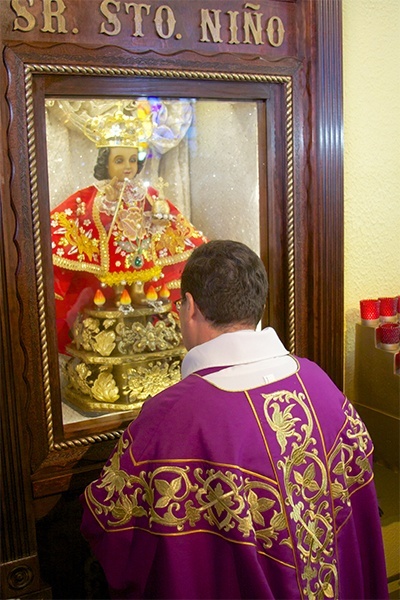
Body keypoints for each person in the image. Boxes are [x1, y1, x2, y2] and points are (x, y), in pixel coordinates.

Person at [80, 240, 389, 599]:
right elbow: (363, 502)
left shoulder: (173, 416)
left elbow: (106, 521)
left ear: (190, 307)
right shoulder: (318, 382)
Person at [50, 100, 206, 353]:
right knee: (115, 282)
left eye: (132, 160)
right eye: (120, 160)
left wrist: (159, 217)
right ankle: (119, 295)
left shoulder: (145, 193)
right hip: (110, 254)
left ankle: (137, 294)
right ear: (106, 162)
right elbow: (72, 217)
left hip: (139, 249)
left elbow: (167, 218)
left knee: (140, 275)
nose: (127, 167)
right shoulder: (95, 195)